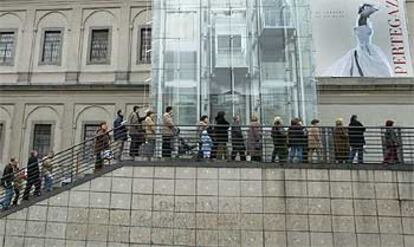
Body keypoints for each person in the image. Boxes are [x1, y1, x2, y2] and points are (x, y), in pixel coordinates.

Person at [324, 4, 393, 77]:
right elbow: (362, 22)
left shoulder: (366, 20)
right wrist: (370, 10)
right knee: (364, 62)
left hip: (367, 47)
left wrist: (371, 10)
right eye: (365, 9)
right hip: (363, 46)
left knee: (376, 65)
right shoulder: (361, 19)